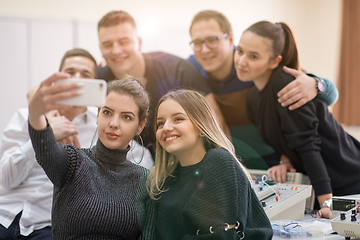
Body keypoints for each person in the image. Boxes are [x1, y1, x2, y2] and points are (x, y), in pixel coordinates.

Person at [0, 48, 153, 240]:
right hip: (6, 214)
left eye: (85, 75)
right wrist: (42, 126)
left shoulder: (138, 169)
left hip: (43, 225)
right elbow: (6, 178)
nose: (76, 80)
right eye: (70, 73)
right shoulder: (30, 118)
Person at [234, 20, 360, 219]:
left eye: (253, 56)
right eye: (240, 51)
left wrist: (326, 202)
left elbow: (308, 146)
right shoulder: (254, 98)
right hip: (329, 185)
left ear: (275, 61)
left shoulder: (285, 86)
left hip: (349, 179)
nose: (241, 61)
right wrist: (285, 159)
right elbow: (283, 135)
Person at [188, 10, 339, 168]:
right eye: (197, 43)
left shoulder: (257, 64)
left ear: (230, 38)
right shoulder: (190, 70)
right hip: (237, 163)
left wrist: (316, 84)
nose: (204, 50)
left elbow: (331, 95)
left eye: (212, 40)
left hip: (279, 161)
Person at [97, 10, 228, 156]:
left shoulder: (178, 70)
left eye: (124, 42)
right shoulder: (98, 79)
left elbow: (216, 127)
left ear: (139, 42)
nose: (116, 50)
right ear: (100, 48)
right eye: (108, 44)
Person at [146, 89, 273, 239]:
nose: (166, 127)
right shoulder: (166, 180)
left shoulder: (218, 161)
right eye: (160, 123)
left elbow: (224, 236)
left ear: (201, 126)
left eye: (178, 119)